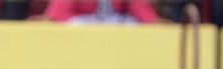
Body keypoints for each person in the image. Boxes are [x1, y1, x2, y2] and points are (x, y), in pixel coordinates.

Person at [32, 0, 165, 22]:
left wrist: (152, 20)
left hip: (116, 25)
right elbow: (57, 14)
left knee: (131, 24)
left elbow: (142, 11)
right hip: (82, 25)